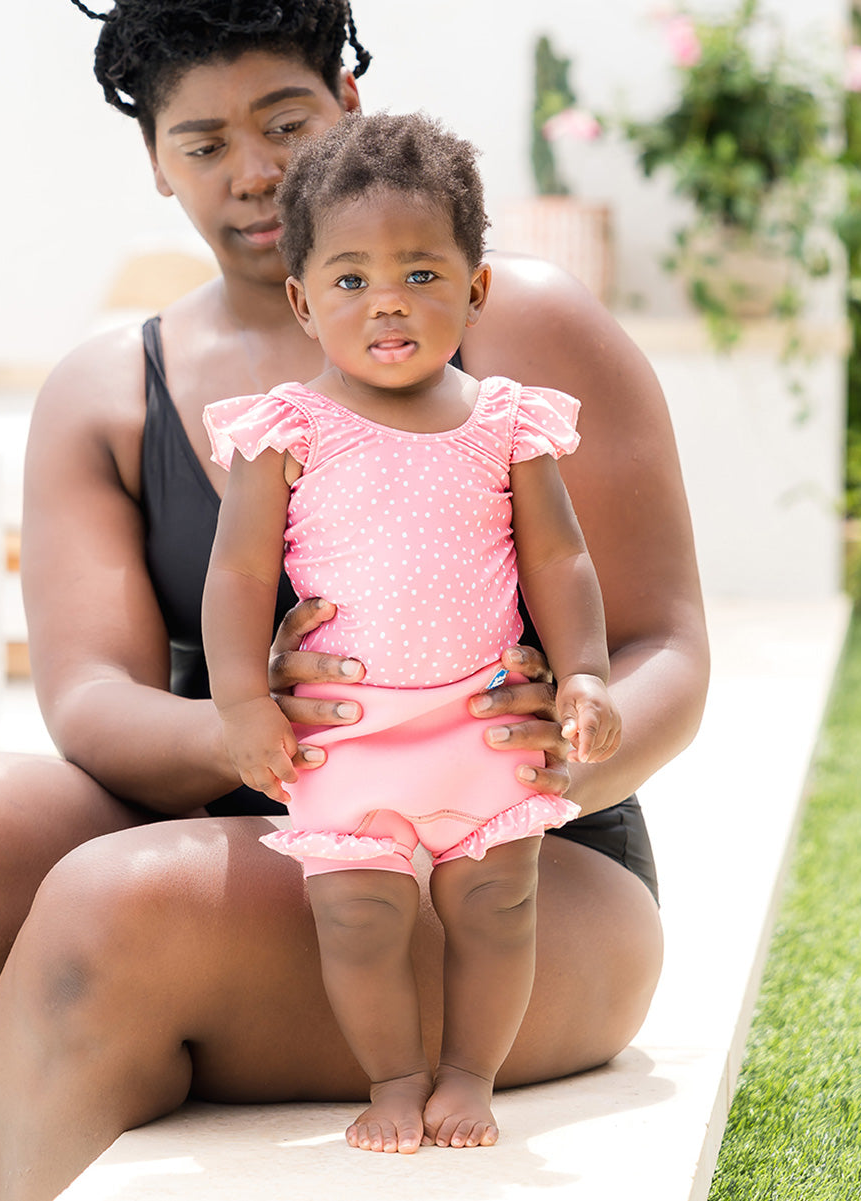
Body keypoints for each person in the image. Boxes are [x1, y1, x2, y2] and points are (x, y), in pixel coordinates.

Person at [0, 3, 708, 1199]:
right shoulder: (114, 392)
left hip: (515, 882)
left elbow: (666, 646)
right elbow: (92, 701)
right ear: (156, 165)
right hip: (264, 831)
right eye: (204, 142)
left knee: (115, 905)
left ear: (350, 105)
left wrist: (550, 748)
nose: (255, 172)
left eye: (286, 121)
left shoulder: (520, 327)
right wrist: (248, 720)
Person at [201, 110, 623, 1154]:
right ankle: (394, 1079)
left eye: (422, 275)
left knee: (498, 906)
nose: (387, 299)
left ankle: (469, 1076)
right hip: (350, 734)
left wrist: (588, 676)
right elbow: (240, 574)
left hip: (482, 721)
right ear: (302, 301)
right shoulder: (287, 429)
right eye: (350, 281)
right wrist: (242, 703)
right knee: (357, 916)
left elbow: (560, 560)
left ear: (476, 289)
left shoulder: (506, 421)